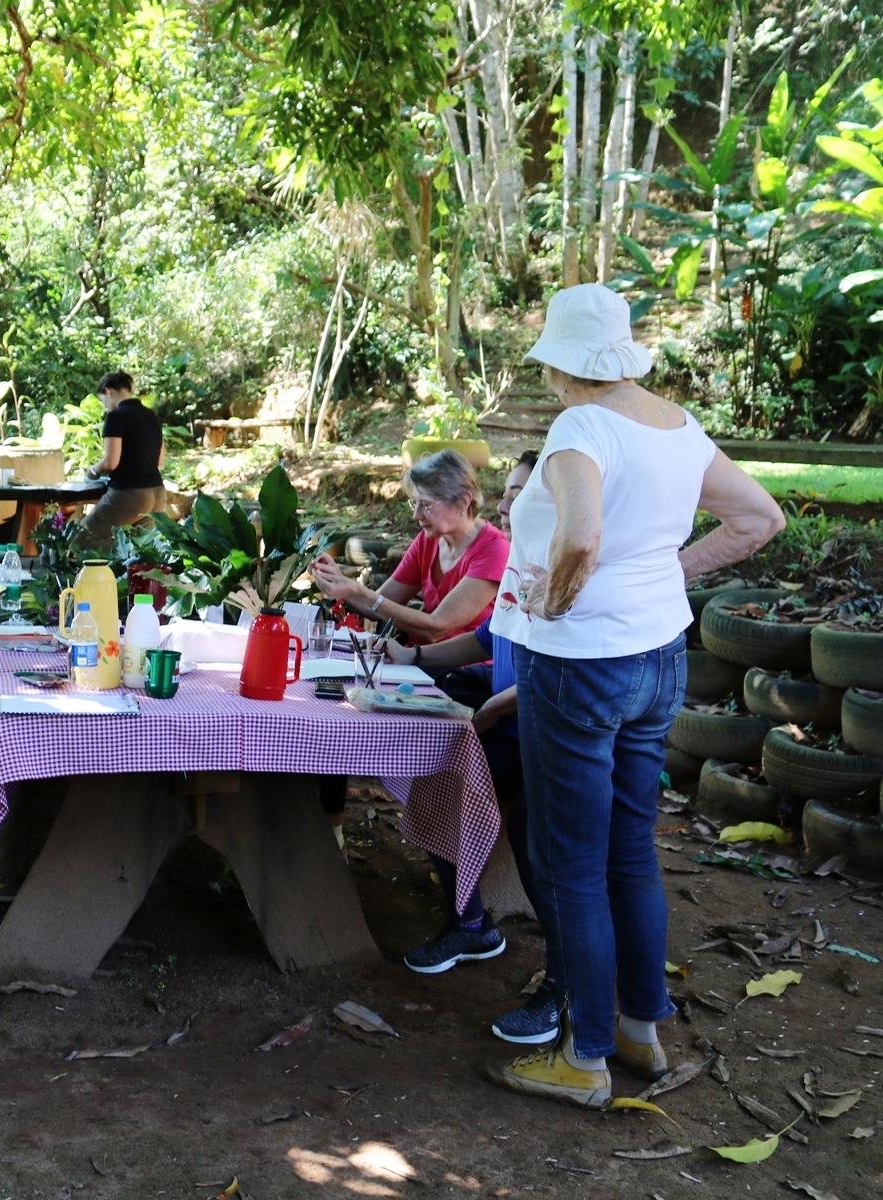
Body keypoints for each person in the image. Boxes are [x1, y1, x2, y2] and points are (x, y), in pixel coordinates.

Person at [487, 284, 784, 1108]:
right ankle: (638, 1030)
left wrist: (556, 604)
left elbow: (580, 536)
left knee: (571, 861)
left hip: (582, 663)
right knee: (628, 848)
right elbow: (759, 520)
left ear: (559, 364)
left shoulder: (580, 426)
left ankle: (583, 1058)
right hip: (659, 657)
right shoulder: (678, 426)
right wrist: (663, 574)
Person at [391, 453, 560, 1043]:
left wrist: (491, 710)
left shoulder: (570, 574)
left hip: (553, 740)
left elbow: (554, 674)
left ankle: (565, 990)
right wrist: (413, 656)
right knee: (442, 777)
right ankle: (471, 925)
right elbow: (483, 641)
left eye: (522, 494)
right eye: (508, 491)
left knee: (541, 848)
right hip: (510, 727)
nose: (505, 504)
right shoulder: (521, 564)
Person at [310, 449, 509, 643]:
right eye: (415, 504)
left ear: (463, 502)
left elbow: (437, 627)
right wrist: (337, 581)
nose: (416, 515)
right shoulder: (429, 539)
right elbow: (379, 605)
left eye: (426, 505)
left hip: (463, 665)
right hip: (414, 657)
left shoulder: (494, 550)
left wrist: (356, 590)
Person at [82, 371, 167, 545]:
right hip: (157, 494)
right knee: (139, 549)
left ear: (108, 391)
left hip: (130, 495)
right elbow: (160, 461)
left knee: (79, 543)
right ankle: (124, 557)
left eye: (102, 400)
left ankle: (118, 556)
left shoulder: (116, 416)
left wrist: (92, 471)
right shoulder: (151, 416)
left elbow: (110, 462)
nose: (105, 406)